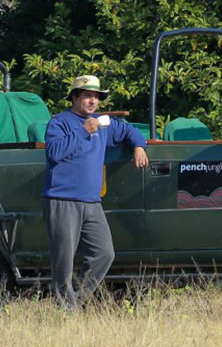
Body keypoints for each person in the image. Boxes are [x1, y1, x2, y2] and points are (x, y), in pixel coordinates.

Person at [43, 75, 149, 308]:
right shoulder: (59, 122)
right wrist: (82, 131)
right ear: (74, 97)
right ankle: (66, 314)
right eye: (88, 96)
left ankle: (74, 302)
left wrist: (139, 146)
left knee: (104, 253)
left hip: (92, 202)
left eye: (97, 97)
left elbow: (128, 130)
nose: (93, 101)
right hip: (62, 199)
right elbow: (54, 153)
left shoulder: (102, 123)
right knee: (64, 261)